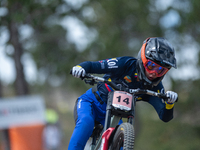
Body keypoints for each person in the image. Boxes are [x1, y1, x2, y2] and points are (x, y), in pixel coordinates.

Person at [68, 37, 178, 150]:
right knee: (86, 123)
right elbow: (94, 65)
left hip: (114, 116)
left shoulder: (155, 87)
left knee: (122, 143)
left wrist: (169, 103)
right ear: (143, 59)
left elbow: (165, 116)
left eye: (160, 70)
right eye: (151, 66)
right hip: (91, 103)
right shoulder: (126, 64)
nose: (154, 73)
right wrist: (80, 68)